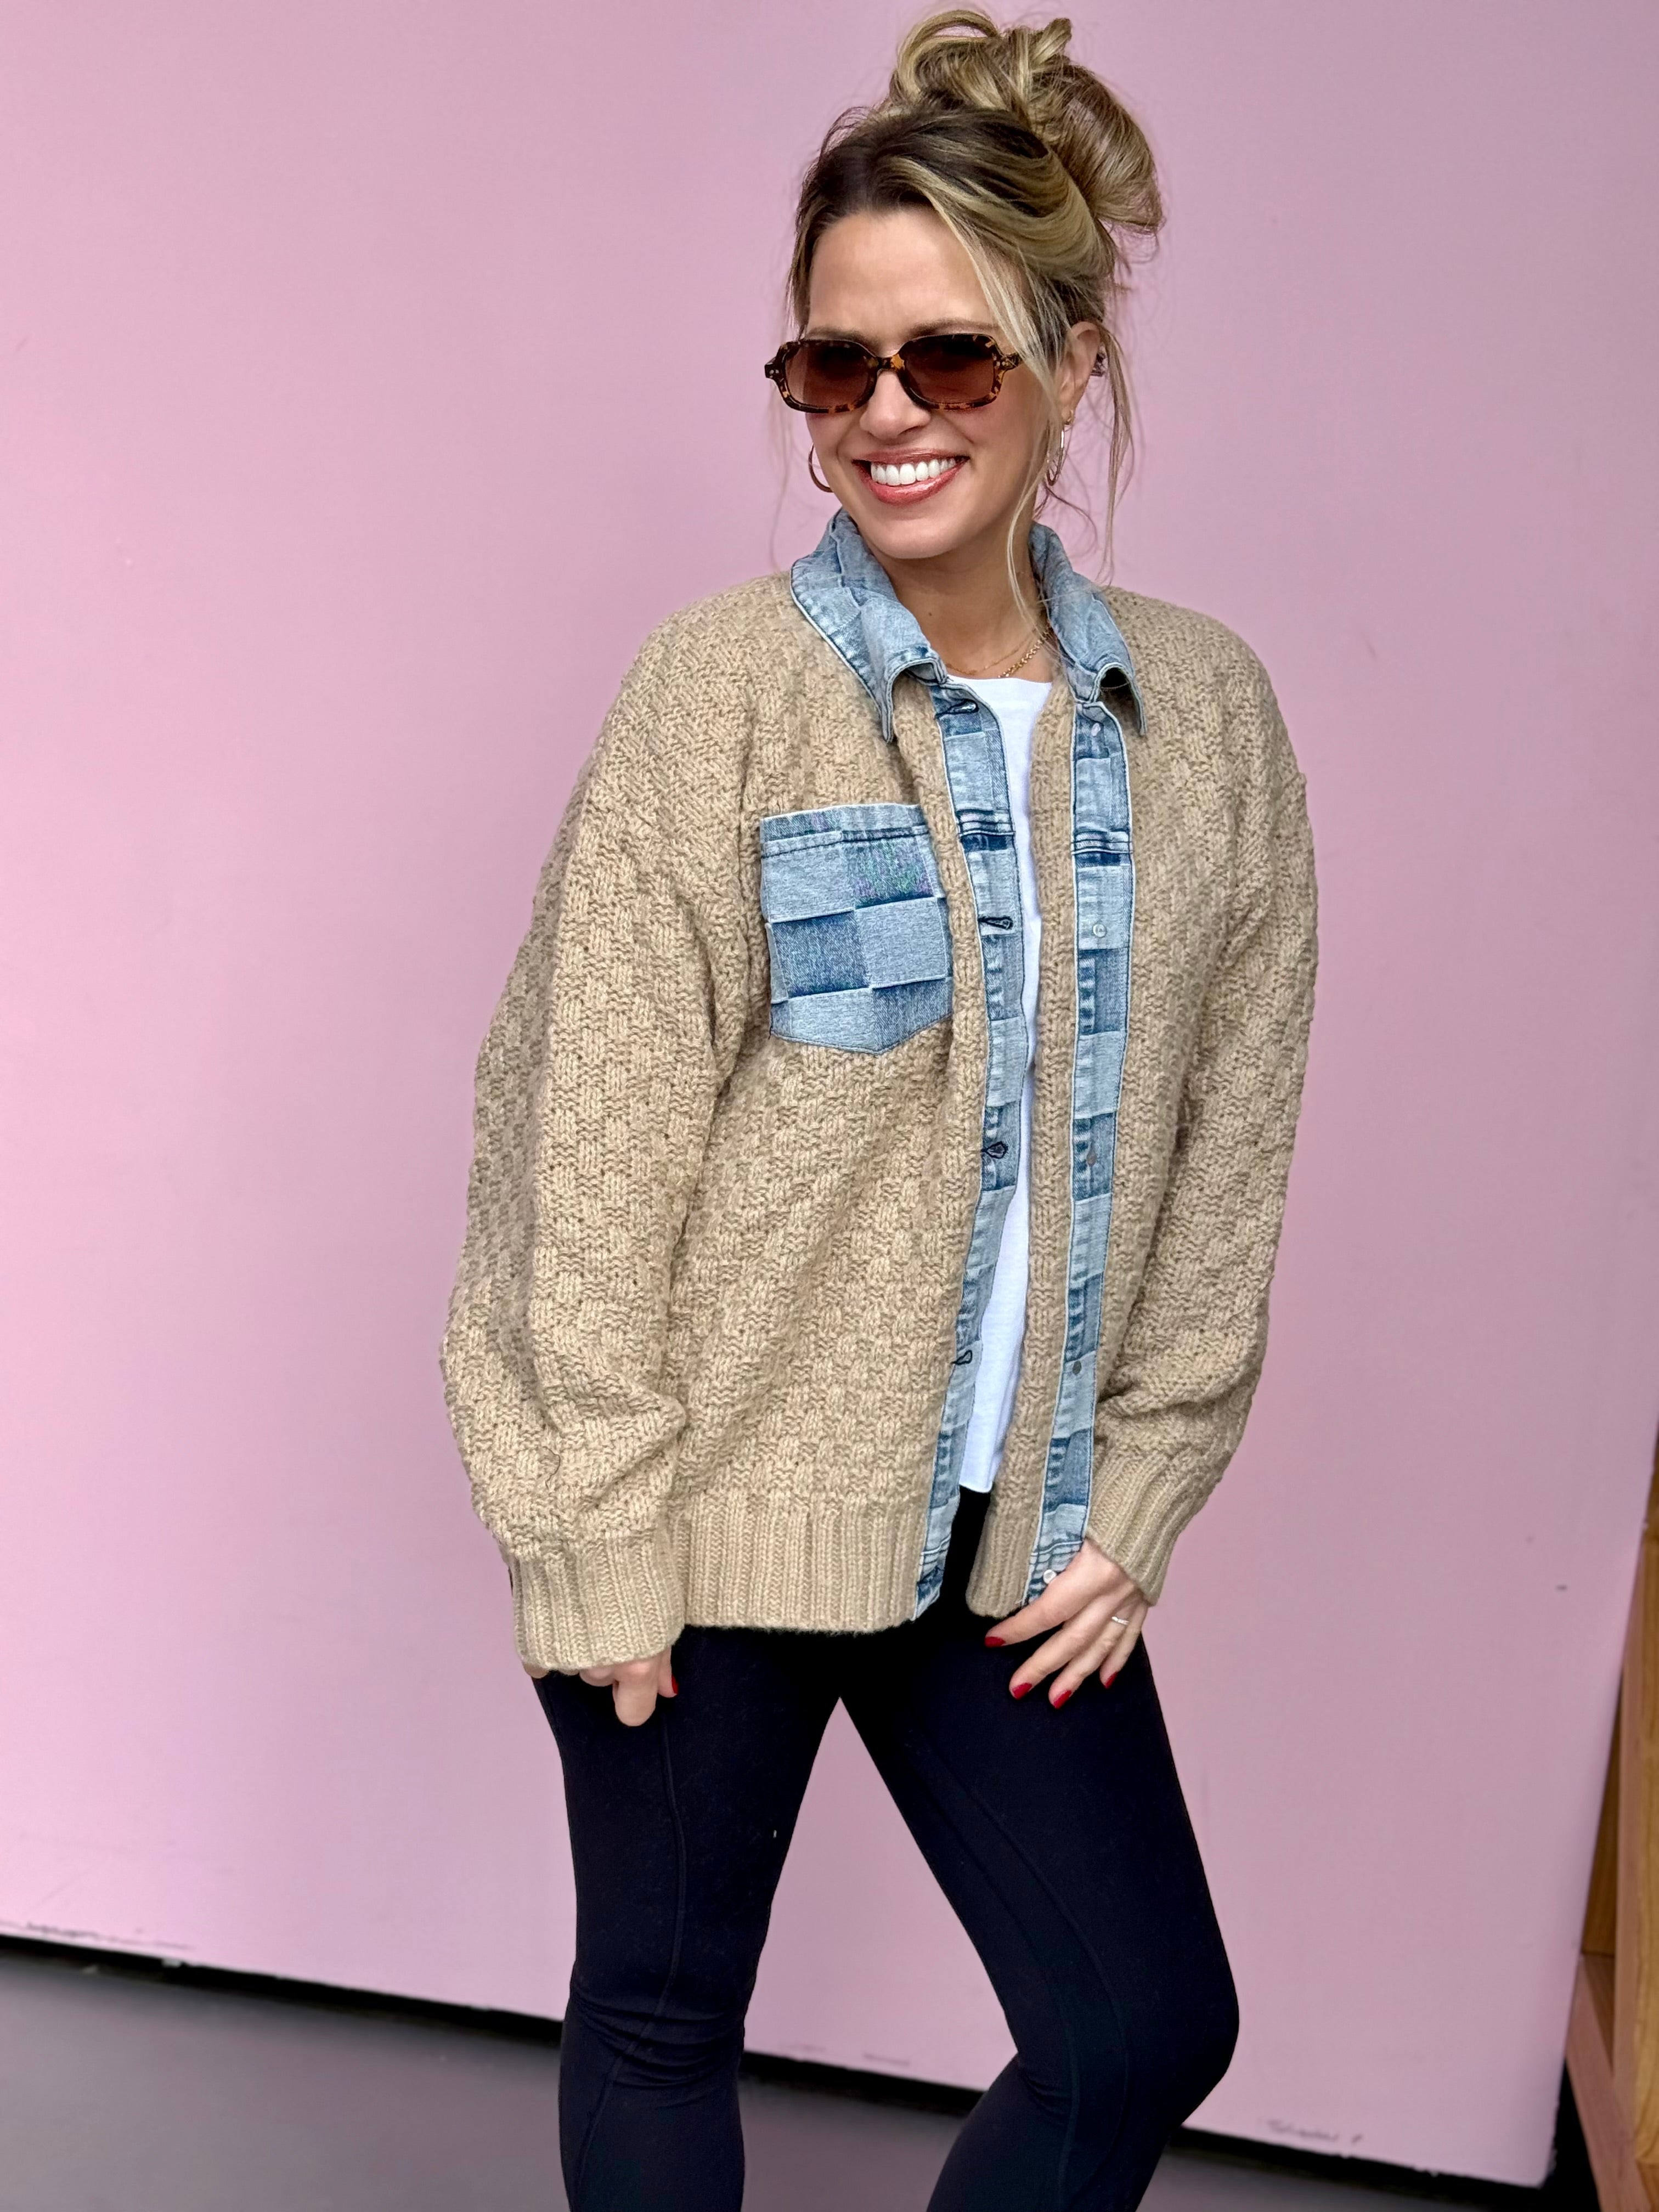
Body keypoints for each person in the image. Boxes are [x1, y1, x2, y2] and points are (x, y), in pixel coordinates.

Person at [441, 11, 1318, 2208]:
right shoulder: (721, 694)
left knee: (1139, 2023)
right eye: (838, 365)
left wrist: (1146, 1487)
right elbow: (584, 1144)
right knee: (663, 2011)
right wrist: (598, 1531)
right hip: (712, 1508)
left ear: (1074, 363)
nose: (891, 413)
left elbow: (1233, 1143)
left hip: (1008, 1530)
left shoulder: (1206, 721)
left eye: (954, 357)